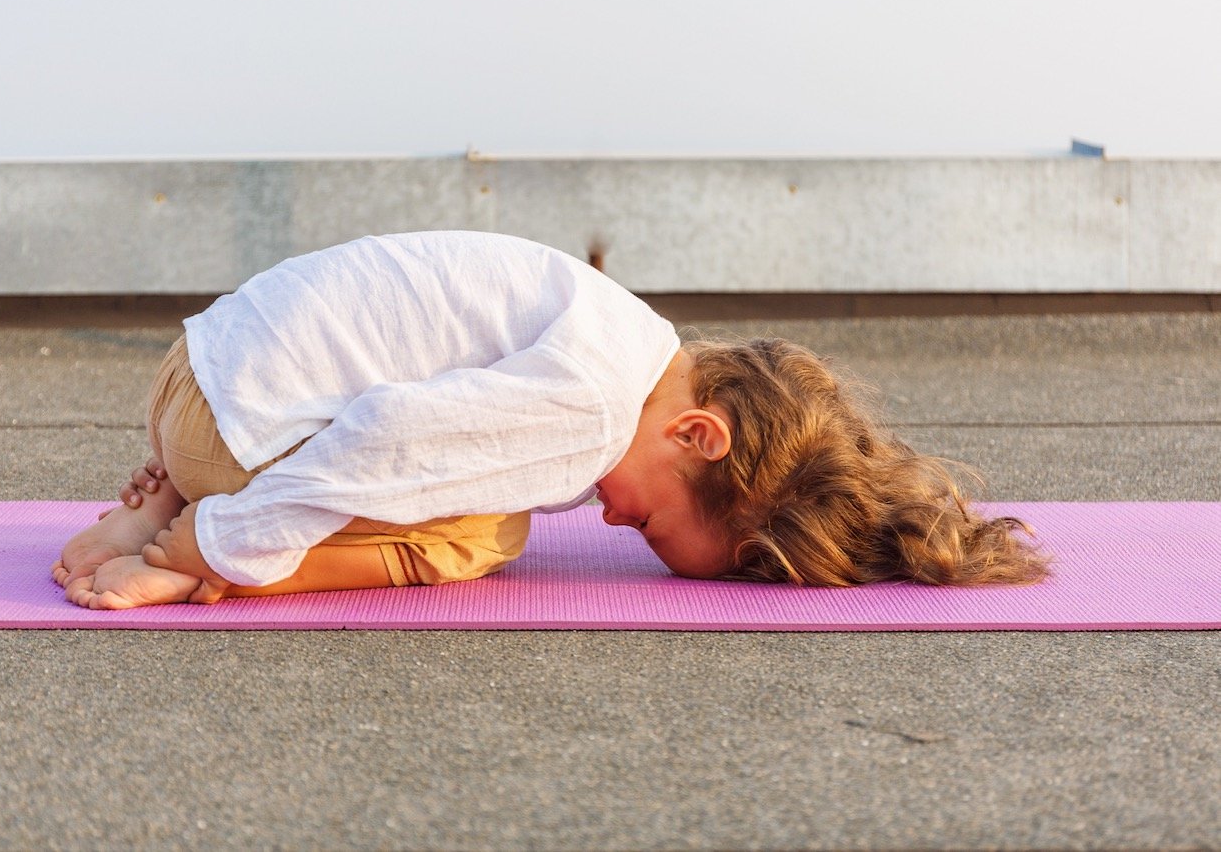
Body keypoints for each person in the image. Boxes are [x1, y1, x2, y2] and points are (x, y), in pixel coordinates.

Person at [53, 231, 1048, 610]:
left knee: (483, 481)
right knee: (490, 530)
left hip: (200, 371)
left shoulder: (622, 331)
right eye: (648, 522)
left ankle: (162, 495)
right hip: (232, 430)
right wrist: (222, 548)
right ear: (697, 435)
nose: (610, 519)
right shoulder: (596, 409)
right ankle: (187, 536)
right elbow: (387, 438)